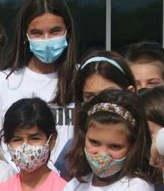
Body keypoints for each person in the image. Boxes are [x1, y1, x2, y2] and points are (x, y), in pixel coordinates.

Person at [0, 0, 77, 165]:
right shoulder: (4, 83)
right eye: (37, 33)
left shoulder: (81, 79)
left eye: (55, 31)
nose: (46, 39)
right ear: (25, 35)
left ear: (68, 31)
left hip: (69, 180)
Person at [55, 50, 136, 178]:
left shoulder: (150, 149)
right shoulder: (71, 153)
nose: (100, 102)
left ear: (130, 92)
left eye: (109, 93)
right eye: (90, 97)